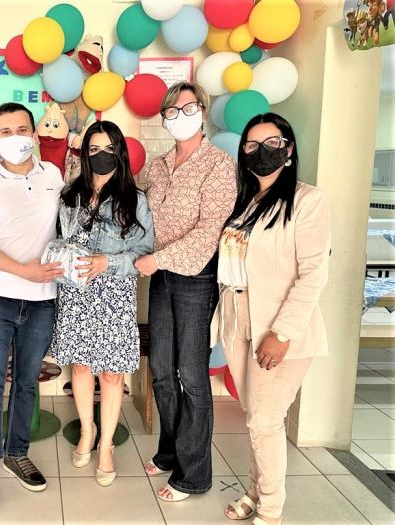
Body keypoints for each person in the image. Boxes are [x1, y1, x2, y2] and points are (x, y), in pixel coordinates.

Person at [217, 113, 331, 525]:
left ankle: (270, 510)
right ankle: (255, 490)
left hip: (278, 324)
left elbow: (314, 272)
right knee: (255, 416)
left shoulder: (307, 200)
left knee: (265, 420)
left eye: (272, 143)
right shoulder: (244, 201)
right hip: (238, 317)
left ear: (289, 149)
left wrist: (282, 333)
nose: (261, 151)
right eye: (252, 145)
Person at [135, 81, 237, 501]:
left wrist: (158, 258)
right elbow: (141, 215)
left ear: (203, 111)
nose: (180, 116)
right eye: (172, 111)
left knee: (192, 376)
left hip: (195, 277)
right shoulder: (157, 166)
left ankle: (194, 475)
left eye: (189, 108)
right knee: (161, 369)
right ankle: (170, 451)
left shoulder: (220, 165)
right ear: (163, 118)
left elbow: (211, 230)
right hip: (160, 276)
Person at [0, 102, 64, 510]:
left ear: (35, 134)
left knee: (26, 382)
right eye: (6, 131)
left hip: (42, 301)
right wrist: (25, 271)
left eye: (22, 129)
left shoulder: (53, 175)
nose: (15, 137)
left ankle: (16, 453)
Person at [50, 121, 154, 486]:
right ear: (84, 155)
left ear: (120, 152)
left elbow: (144, 250)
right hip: (75, 294)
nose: (101, 155)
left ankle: (106, 445)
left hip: (114, 296)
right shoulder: (69, 195)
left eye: (109, 148)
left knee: (111, 374)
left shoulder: (135, 199)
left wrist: (107, 263)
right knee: (80, 368)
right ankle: (87, 431)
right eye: (94, 149)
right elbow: (57, 238)